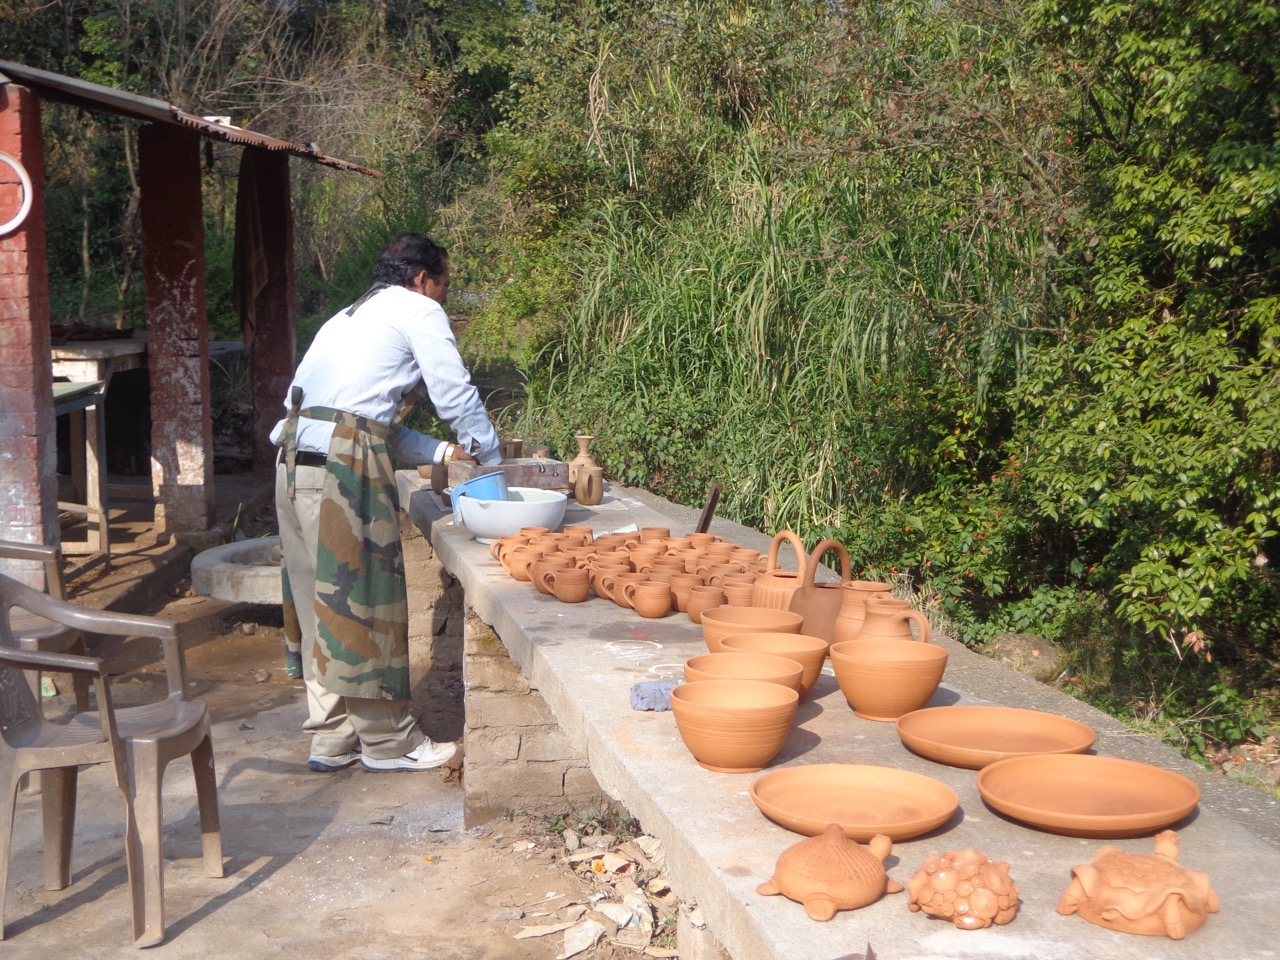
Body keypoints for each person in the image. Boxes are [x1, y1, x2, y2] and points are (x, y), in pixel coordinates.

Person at [272, 233, 501, 772]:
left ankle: (330, 738)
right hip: (343, 471)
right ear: (424, 280)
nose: (442, 298)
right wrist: (490, 458)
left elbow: (359, 420)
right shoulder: (417, 310)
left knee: (316, 609)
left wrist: (444, 449)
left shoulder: (347, 318)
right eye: (443, 286)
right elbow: (455, 393)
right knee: (362, 602)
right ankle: (387, 742)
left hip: (291, 462)